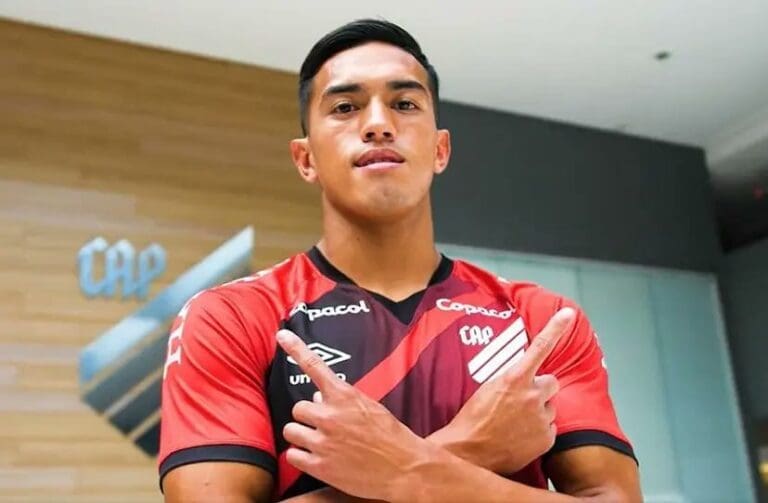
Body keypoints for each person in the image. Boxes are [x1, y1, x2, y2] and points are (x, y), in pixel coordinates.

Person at [158, 18, 642, 502]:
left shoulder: (541, 320)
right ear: (306, 160)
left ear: (440, 149)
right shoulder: (230, 318)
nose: (378, 124)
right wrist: (469, 449)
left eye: (405, 104)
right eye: (345, 107)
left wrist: (409, 470)